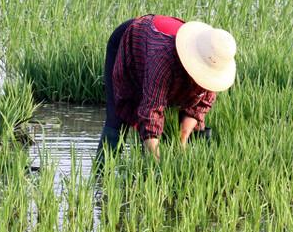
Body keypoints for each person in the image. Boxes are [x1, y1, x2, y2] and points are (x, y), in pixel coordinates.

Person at [97, 15, 237, 164]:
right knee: (117, 118)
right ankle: (101, 176)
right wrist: (158, 167)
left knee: (191, 131)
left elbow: (199, 106)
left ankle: (147, 170)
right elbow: (151, 113)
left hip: (153, 50)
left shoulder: (213, 61)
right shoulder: (164, 60)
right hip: (130, 41)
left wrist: (182, 141)